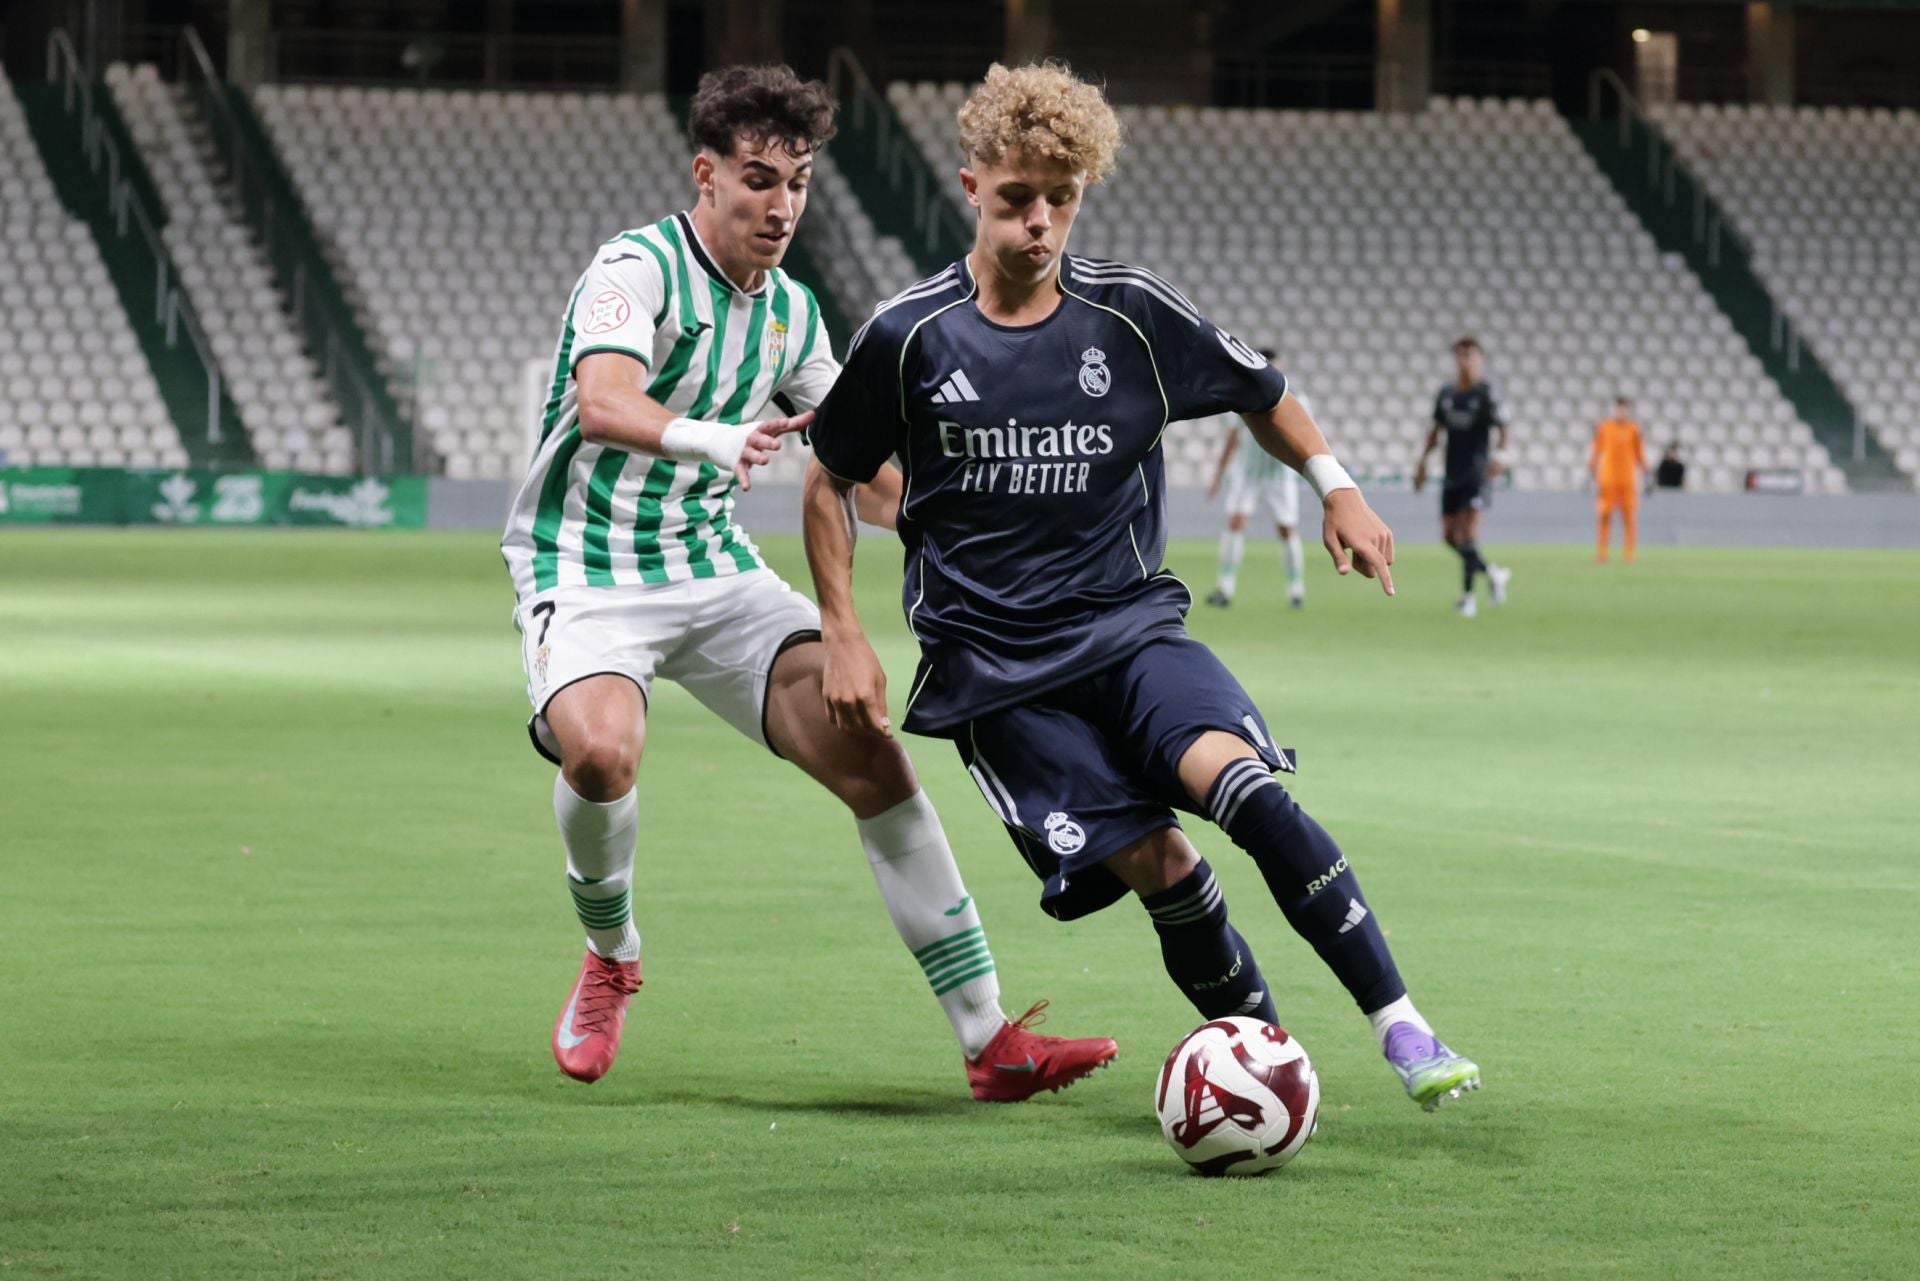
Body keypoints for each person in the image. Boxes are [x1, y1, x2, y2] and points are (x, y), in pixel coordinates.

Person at [801, 61, 1480, 1112]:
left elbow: (1264, 392)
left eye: (1060, 200)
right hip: (999, 681)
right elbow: (828, 480)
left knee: (1245, 786)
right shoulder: (908, 335)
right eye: (1018, 196)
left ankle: (1404, 1028)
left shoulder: (1129, 316)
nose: (1040, 222)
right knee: (1164, 865)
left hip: (1131, 632)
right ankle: (1269, 1070)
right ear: (970, 184)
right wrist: (843, 631)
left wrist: (1338, 487)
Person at [498, 65, 1116, 1098]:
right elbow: (603, 402)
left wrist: (981, 519)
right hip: (585, 565)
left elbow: (868, 470)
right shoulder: (634, 269)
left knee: (873, 755)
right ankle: (611, 957)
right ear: (707, 175)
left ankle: (990, 1040)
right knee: (602, 755)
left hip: (715, 574)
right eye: (756, 179)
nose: (780, 204)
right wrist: (715, 438)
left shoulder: (790, 313)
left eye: (797, 181)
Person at [1413, 337, 1512, 618]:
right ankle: (1493, 573)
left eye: (1470, 355)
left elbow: (1504, 428)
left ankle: (1468, 598)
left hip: (1476, 474)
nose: (1465, 360)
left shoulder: (1486, 394)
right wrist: (1422, 462)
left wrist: (1502, 457)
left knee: (1467, 534)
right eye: (1460, 355)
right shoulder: (1447, 393)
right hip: (1451, 474)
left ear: (1479, 359)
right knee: (1449, 536)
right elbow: (1436, 431)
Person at [1205, 364, 1307, 610]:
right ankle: (1225, 587)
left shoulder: (1296, 397)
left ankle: (1296, 588)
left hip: (1280, 474)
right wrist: (1219, 473)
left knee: (1286, 529)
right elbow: (1232, 437)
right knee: (1235, 523)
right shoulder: (1241, 394)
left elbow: (1305, 432)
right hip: (1247, 474)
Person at [1590, 397, 1650, 564]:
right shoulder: (1604, 427)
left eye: (1623, 410)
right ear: (1613, 410)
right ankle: (1602, 554)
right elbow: (1596, 451)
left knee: (1629, 518)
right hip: (1608, 480)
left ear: (1628, 411)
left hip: (1627, 481)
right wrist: (1591, 471)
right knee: (1604, 516)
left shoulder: (1634, 430)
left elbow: (1640, 454)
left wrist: (1647, 473)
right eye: (1618, 409)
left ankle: (1629, 555)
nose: (1620, 413)